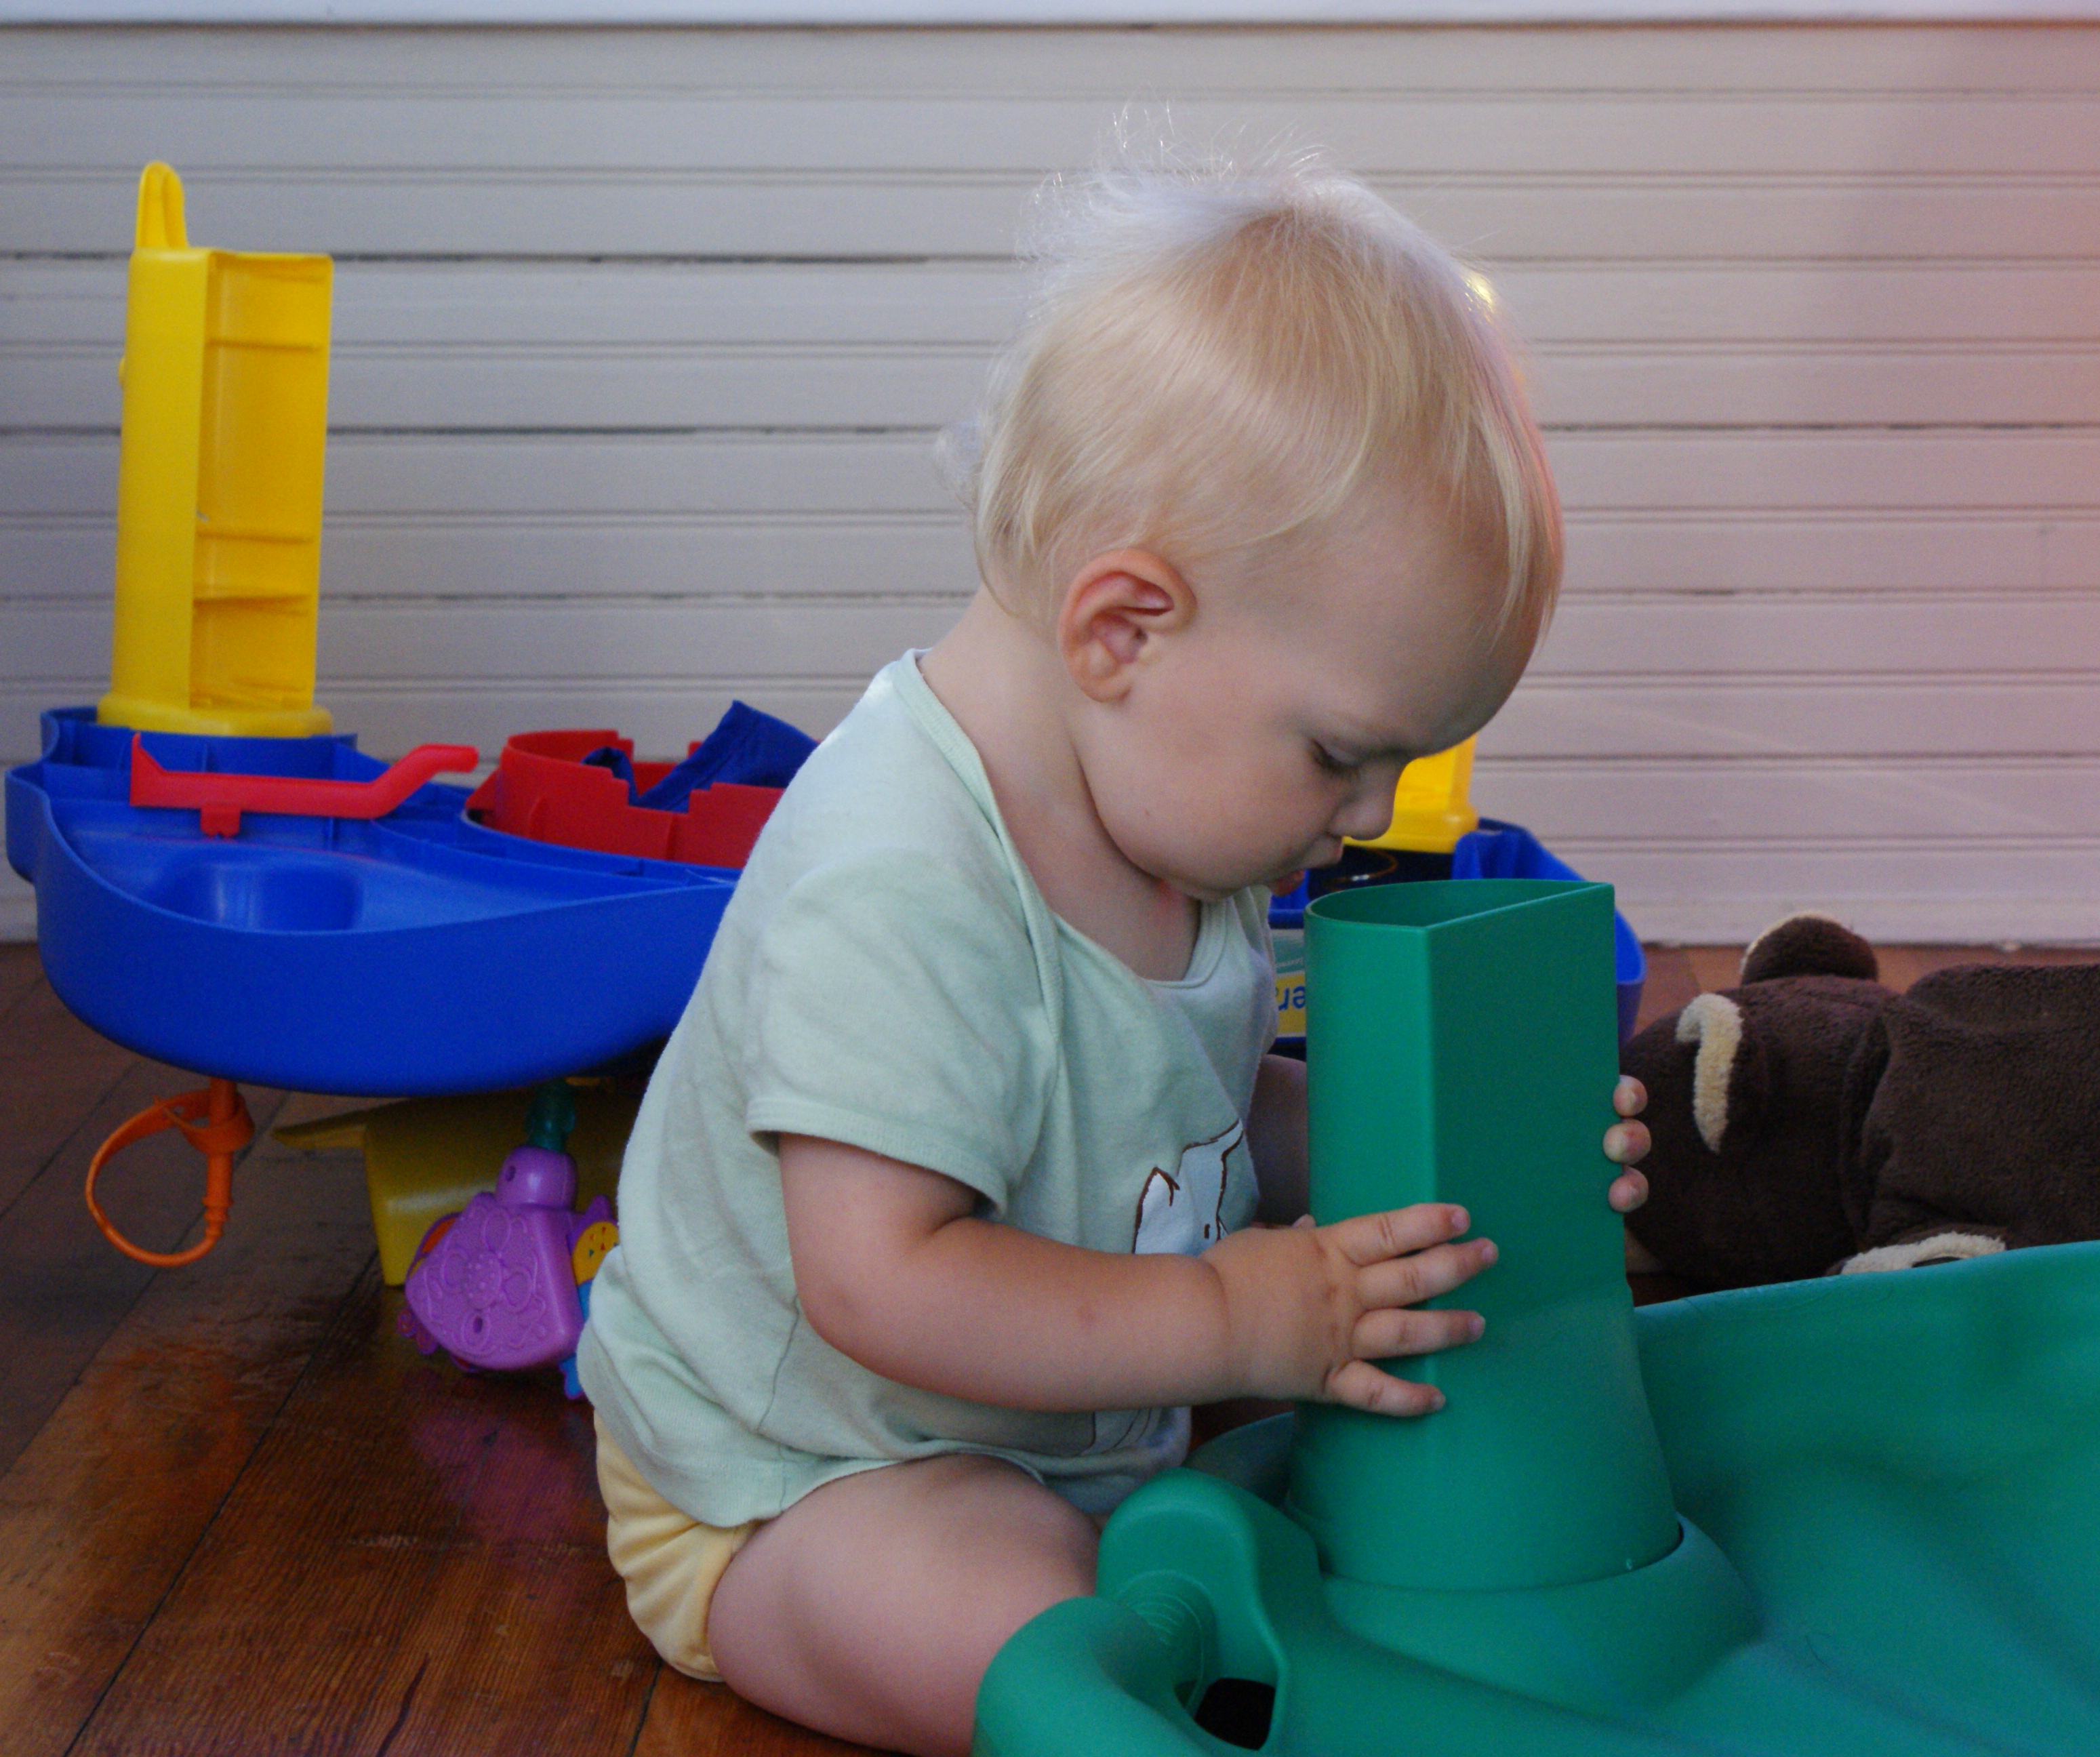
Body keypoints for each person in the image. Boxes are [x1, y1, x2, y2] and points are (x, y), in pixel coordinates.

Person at [573, 148, 1651, 1756]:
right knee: (1044, 1626)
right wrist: (1236, 1321)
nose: (1366, 816)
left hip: (1082, 1426)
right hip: (802, 1476)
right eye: (1341, 753)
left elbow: (1184, 1105)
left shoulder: (1168, 811)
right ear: (1122, 629)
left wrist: (1462, 1163)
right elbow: (878, 1278)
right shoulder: (899, 879)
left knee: (1362, 1437)